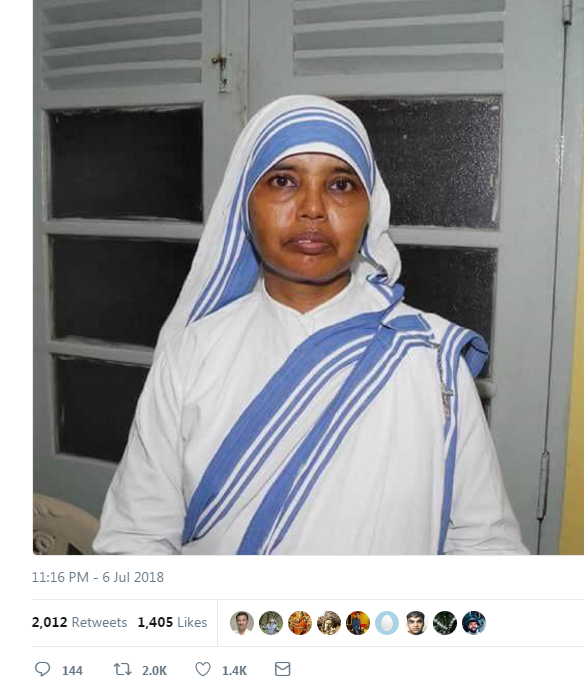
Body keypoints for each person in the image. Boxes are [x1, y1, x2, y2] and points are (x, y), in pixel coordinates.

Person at [93, 95, 528, 556]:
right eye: (283, 181)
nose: (313, 208)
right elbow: (136, 540)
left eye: (340, 185)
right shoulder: (191, 355)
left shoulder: (432, 357)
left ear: (369, 209)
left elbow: (485, 547)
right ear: (246, 204)